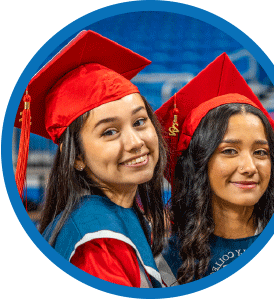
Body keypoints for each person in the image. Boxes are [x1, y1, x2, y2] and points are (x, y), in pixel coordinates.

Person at [14, 30, 169, 288]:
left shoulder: (118, 214)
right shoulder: (97, 244)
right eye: (110, 131)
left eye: (140, 121)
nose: (135, 142)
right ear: (76, 158)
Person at [155, 53, 274, 285]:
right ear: (199, 164)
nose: (249, 167)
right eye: (229, 151)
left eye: (260, 152)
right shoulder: (170, 265)